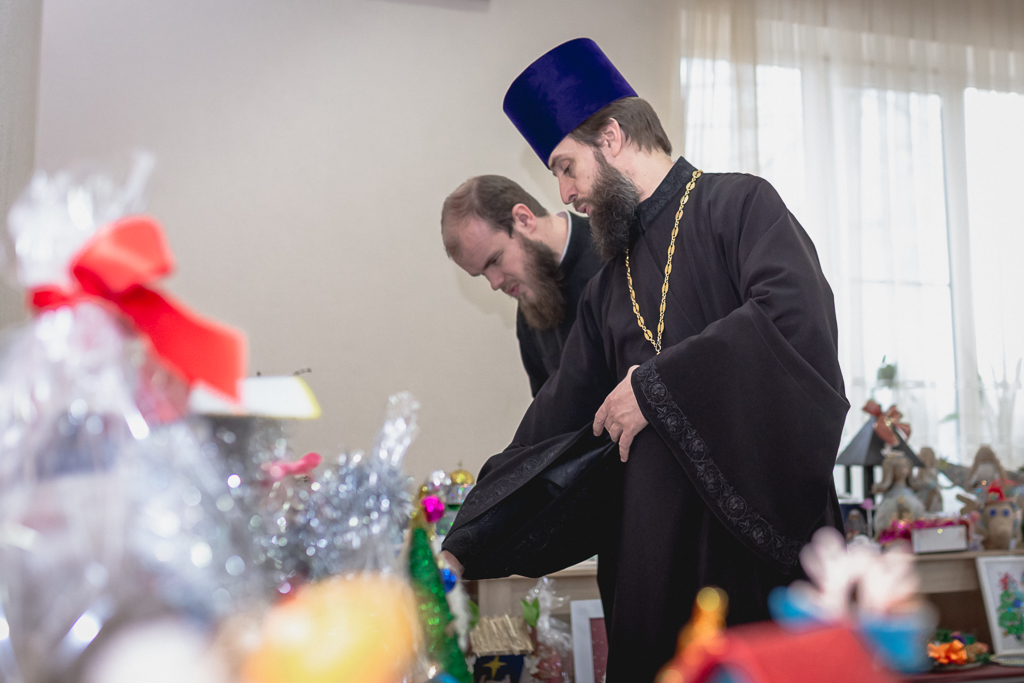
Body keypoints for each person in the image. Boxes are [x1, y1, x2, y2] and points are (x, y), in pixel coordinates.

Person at [442, 38, 849, 681]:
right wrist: (462, 545)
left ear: (610, 138)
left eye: (566, 167)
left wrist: (658, 388)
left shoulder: (740, 205)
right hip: (652, 569)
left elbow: (794, 319)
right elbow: (552, 426)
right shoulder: (608, 287)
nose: (564, 193)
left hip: (752, 555)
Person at [441, 176, 603, 395]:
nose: (495, 283)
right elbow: (550, 408)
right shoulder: (531, 309)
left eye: (495, 260)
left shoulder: (617, 254)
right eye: (481, 274)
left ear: (524, 220)